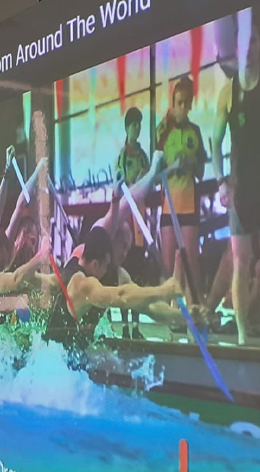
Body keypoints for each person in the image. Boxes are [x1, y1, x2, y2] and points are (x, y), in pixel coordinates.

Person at [212, 11, 260, 347]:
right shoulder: (227, 92)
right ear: (237, 48)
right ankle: (243, 335)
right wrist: (220, 181)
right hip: (241, 189)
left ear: (259, 46)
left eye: (254, 42)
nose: (248, 50)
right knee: (240, 263)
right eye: (243, 44)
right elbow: (215, 141)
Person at [39, 227, 199, 354]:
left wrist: (184, 317)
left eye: (128, 247)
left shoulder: (117, 274)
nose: (125, 253)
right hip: (53, 360)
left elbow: (147, 306)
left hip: (75, 359)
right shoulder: (79, 282)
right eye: (123, 246)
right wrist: (166, 290)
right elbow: (121, 296)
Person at [156, 77, 208, 300]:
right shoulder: (162, 131)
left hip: (189, 205)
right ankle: (169, 309)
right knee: (168, 265)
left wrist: (192, 163)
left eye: (187, 103)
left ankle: (194, 305)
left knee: (191, 263)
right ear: (173, 103)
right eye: (179, 102)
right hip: (169, 206)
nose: (183, 107)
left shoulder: (195, 132)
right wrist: (173, 167)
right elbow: (155, 176)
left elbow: (201, 173)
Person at [116, 107, 153, 339]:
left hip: (142, 220)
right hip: (127, 220)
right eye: (134, 124)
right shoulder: (123, 156)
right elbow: (119, 184)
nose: (137, 128)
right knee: (125, 275)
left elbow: (150, 181)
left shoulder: (143, 157)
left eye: (140, 124)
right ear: (127, 127)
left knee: (138, 276)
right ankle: (125, 327)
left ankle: (136, 327)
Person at [0, 146, 47, 274]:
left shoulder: (9, 251)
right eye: (33, 241)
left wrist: (37, 171)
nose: (33, 248)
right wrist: (7, 170)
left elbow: (18, 206)